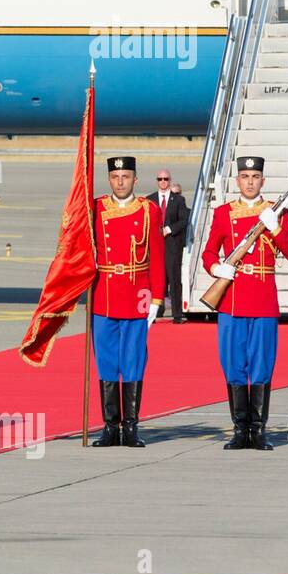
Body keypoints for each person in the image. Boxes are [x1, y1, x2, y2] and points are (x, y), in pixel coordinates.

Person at [202, 155, 288, 451]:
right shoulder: (223, 213)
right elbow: (208, 252)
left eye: (255, 177)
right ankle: (238, 430)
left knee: (261, 366)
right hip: (231, 299)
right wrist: (216, 269)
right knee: (233, 365)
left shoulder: (276, 213)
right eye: (245, 177)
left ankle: (257, 431)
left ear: (262, 181)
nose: (249, 182)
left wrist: (276, 228)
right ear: (237, 181)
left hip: (262, 299)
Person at [86, 156, 165, 446]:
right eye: (116, 176)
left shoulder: (149, 211)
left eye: (126, 176)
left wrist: (157, 298)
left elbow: (157, 257)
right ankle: (110, 427)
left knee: (133, 363)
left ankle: (130, 428)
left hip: (136, 296)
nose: (121, 182)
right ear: (109, 179)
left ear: (135, 179)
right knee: (106, 364)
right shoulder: (95, 208)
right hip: (104, 295)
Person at [151, 169, 188, 323]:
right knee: (156, 280)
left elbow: (183, 220)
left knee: (174, 279)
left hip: (172, 245)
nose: (163, 182)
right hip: (156, 246)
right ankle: (155, 312)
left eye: (166, 179)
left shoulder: (178, 200)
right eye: (160, 179)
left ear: (170, 180)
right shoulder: (150, 199)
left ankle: (177, 314)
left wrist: (169, 229)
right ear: (157, 181)